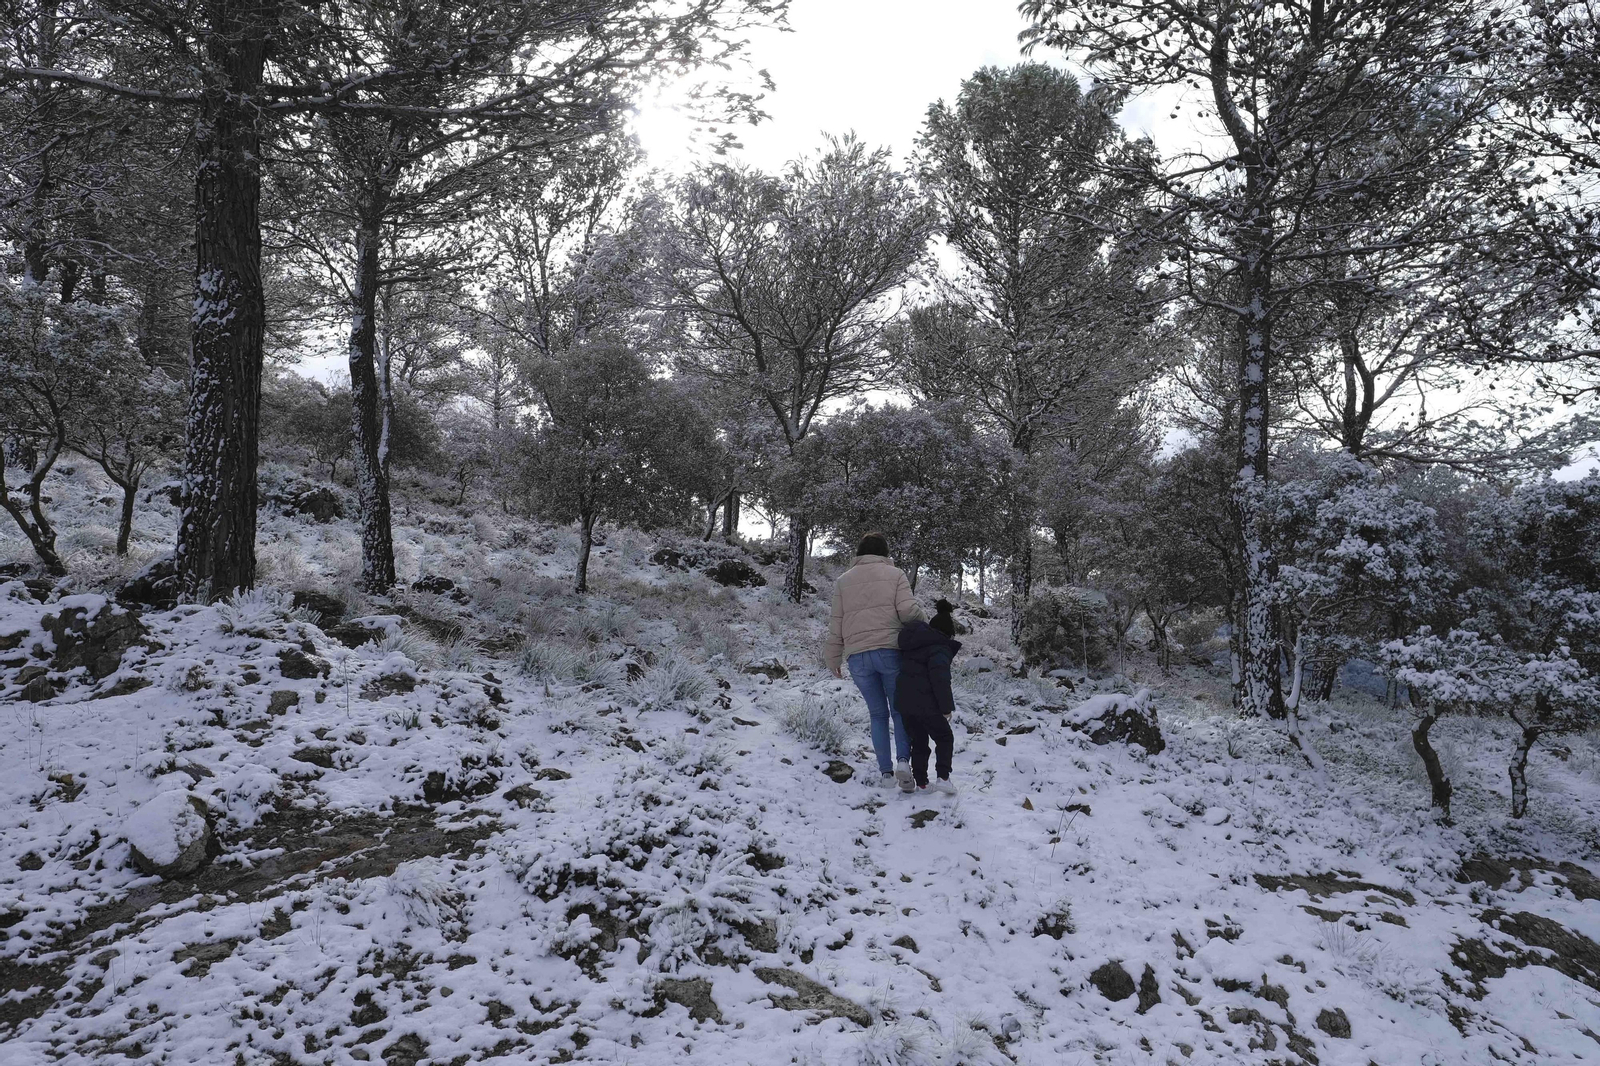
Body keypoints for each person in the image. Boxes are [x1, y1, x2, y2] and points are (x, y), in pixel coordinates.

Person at [822, 532, 925, 790]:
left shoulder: (843, 581)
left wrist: (833, 657)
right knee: (899, 710)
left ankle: (886, 774)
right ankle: (903, 762)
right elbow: (908, 612)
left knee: (877, 714)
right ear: (884, 554)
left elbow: (837, 623)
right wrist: (924, 618)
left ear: (859, 553)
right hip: (890, 652)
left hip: (857, 657)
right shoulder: (896, 575)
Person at [895, 598, 960, 794]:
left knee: (919, 741)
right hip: (928, 704)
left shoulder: (912, 645)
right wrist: (946, 708)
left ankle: (922, 782)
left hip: (905, 703)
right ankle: (943, 777)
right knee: (944, 737)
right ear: (947, 634)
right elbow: (940, 679)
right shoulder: (939, 648)